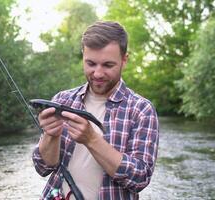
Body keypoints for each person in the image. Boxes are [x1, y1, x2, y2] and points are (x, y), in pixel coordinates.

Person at [32, 21, 159, 200]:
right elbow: (43, 167)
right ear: (83, 56)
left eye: (108, 65)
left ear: (124, 60)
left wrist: (91, 139)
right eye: (91, 63)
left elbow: (139, 178)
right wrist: (50, 135)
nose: (98, 73)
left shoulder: (141, 110)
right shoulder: (62, 100)